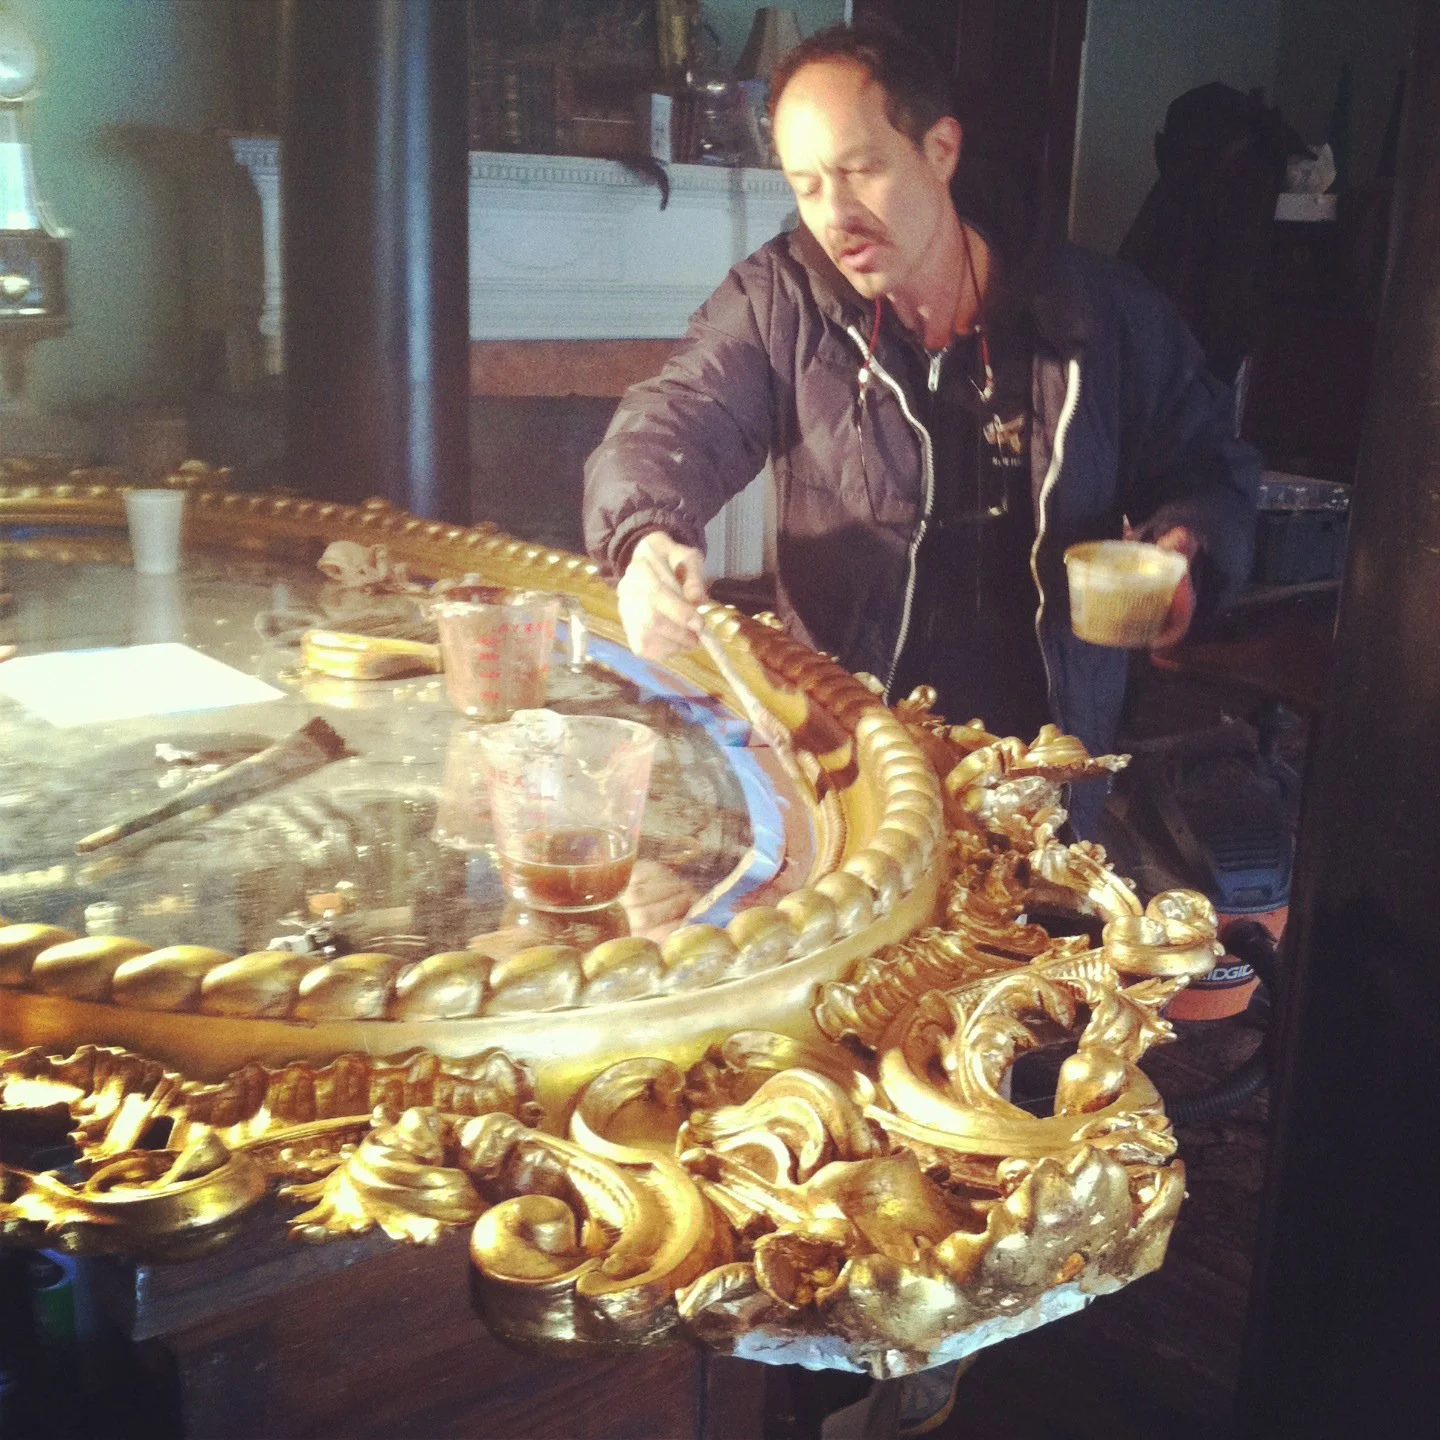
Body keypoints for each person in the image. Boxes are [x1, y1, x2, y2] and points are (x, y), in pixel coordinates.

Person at [584, 21, 1259, 836]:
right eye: (805, 185)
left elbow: (1207, 462)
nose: (836, 217)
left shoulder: (1100, 312)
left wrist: (1186, 548)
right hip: (852, 753)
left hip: (1042, 764)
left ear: (940, 149)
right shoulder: (780, 300)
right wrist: (647, 535)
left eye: (860, 170)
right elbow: (678, 411)